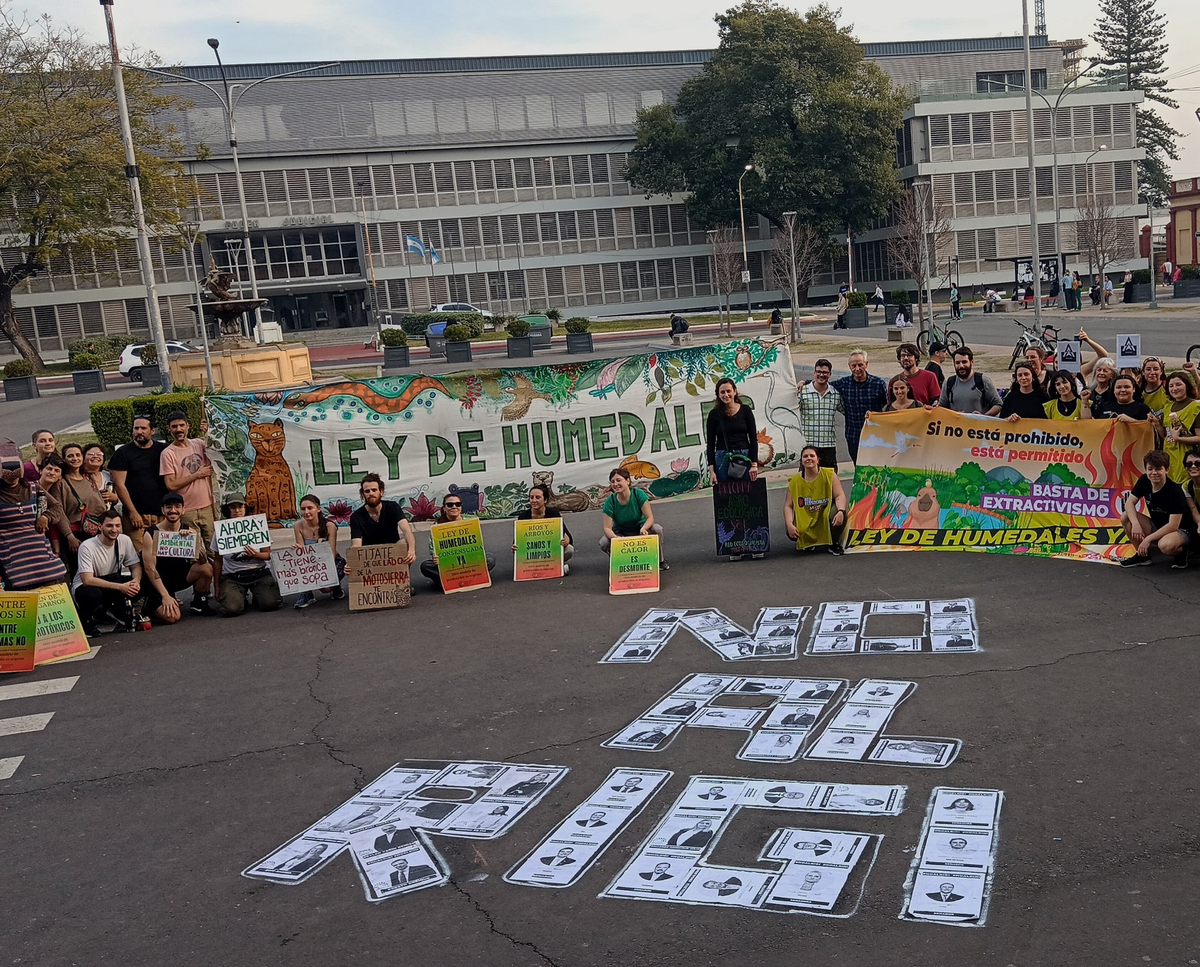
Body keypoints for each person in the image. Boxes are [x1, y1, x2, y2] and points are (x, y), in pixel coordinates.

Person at [140, 493, 214, 623]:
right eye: (169, 507)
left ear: (183, 510)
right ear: (163, 510)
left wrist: (194, 542)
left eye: (177, 506)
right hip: (158, 581)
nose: (173, 510)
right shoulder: (151, 534)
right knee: (172, 617)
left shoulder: (189, 530)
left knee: (206, 568)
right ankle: (150, 603)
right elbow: (149, 568)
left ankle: (199, 602)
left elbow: (202, 562)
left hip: (179, 577)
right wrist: (165, 596)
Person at [72, 509, 142, 635]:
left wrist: (136, 581)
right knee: (92, 595)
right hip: (88, 586)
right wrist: (121, 587)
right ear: (100, 527)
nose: (114, 530)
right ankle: (86, 620)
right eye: (109, 526)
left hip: (112, 582)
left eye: (117, 526)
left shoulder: (124, 540)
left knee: (144, 582)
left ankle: (117, 610)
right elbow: (87, 580)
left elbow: (135, 566)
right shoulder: (87, 546)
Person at [211, 493, 281, 615]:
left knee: (270, 604)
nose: (237, 510)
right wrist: (216, 586)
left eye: (240, 506)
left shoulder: (257, 525)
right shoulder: (221, 530)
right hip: (233, 577)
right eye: (233, 507)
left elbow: (268, 555)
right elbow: (217, 561)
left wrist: (255, 555)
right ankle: (239, 596)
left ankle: (258, 596)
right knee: (231, 609)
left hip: (259, 574)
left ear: (245, 508)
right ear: (228, 510)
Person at [0, 464, 67, 590]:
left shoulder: (33, 488)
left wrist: (46, 517)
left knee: (53, 593)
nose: (12, 474)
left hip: (42, 555)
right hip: (14, 561)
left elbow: (56, 507)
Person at [1120, 450, 1192, 568]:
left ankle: (1181, 552)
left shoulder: (1175, 491)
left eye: (1158, 469)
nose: (1154, 473)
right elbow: (1129, 503)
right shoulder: (1144, 480)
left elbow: (1173, 525)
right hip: (1157, 525)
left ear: (1167, 470)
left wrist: (1147, 539)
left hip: (1180, 530)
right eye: (1150, 469)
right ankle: (1143, 555)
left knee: (1165, 545)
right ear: (1146, 470)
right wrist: (1135, 523)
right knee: (1125, 516)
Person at [160, 411, 217, 555]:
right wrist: (197, 475)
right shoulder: (168, 453)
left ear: (188, 426)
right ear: (169, 429)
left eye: (181, 425)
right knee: (193, 554)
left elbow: (217, 451)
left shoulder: (199, 443)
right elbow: (171, 485)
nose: (178, 429)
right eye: (174, 426)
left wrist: (209, 433)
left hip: (207, 507)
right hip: (187, 510)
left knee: (214, 551)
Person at [110, 415, 169, 550]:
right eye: (136, 428)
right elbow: (119, 485)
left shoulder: (164, 450)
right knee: (139, 556)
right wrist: (133, 512)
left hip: (162, 515)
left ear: (152, 431)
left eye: (143, 428)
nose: (139, 431)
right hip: (137, 518)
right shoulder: (122, 453)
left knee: (164, 555)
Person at [420, 492, 498, 589]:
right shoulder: (437, 526)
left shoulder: (471, 521)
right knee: (425, 566)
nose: (454, 507)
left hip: (469, 561)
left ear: (461, 507)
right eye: (450, 505)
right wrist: (435, 558)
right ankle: (453, 579)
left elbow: (477, 543)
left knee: (490, 559)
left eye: (457, 504)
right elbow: (434, 550)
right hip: (449, 564)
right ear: (444, 508)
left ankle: (462, 577)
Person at [783, 445, 847, 555]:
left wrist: (841, 511)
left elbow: (839, 495)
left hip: (824, 512)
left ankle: (833, 542)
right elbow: (788, 505)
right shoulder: (794, 481)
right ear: (801, 461)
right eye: (805, 456)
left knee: (838, 513)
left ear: (818, 460)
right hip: (807, 515)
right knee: (792, 528)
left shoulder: (830, 475)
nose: (809, 458)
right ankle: (808, 542)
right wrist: (789, 524)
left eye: (812, 456)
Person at [600, 467, 668, 569]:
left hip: (640, 528)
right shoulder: (610, 501)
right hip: (621, 531)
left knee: (657, 529)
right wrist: (615, 538)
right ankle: (618, 564)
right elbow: (607, 528)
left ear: (628, 481)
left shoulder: (638, 494)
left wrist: (644, 528)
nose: (615, 484)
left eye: (618, 480)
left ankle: (660, 561)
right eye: (612, 482)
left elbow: (650, 518)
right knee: (604, 542)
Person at [829, 351, 887, 463]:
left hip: (875, 435)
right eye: (853, 365)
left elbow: (887, 408)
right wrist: (805, 382)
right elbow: (823, 385)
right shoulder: (844, 383)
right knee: (858, 466)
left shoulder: (878, 384)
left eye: (860, 365)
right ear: (849, 366)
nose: (857, 368)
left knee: (877, 466)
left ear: (866, 364)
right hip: (853, 436)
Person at [291, 494, 347, 608]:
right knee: (297, 565)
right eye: (303, 509)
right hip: (310, 563)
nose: (306, 512)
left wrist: (323, 572)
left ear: (318, 509)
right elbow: (302, 553)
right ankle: (307, 595)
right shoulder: (298, 525)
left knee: (325, 588)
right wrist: (298, 550)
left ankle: (335, 586)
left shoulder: (329, 526)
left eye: (310, 508)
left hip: (330, 562)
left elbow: (331, 553)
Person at [348, 473, 417, 561]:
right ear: (363, 494)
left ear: (381, 492)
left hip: (393, 552)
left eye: (374, 490)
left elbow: (407, 531)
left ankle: (402, 569)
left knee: (406, 542)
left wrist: (411, 551)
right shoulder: (356, 517)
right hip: (371, 557)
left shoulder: (393, 507)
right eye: (367, 491)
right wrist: (352, 562)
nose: (371, 493)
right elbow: (356, 545)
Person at [706, 377, 760, 484]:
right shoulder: (714, 414)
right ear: (718, 395)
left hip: (744, 456)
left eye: (728, 391)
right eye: (722, 392)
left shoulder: (745, 410)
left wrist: (754, 464)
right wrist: (712, 472)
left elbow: (753, 439)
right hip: (722, 458)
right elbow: (711, 444)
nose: (726, 395)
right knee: (726, 492)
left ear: (734, 391)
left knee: (746, 490)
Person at [511, 483, 574, 574]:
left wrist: (566, 540)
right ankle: (549, 567)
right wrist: (514, 546)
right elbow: (518, 539)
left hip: (550, 551)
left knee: (569, 549)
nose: (534, 500)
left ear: (545, 500)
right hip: (533, 552)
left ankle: (554, 566)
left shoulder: (553, 514)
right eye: (531, 497)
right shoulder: (523, 516)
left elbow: (566, 535)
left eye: (537, 497)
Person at [796, 358, 843, 470]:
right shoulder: (802, 392)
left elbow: (847, 411)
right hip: (808, 445)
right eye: (819, 372)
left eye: (825, 372)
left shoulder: (835, 394)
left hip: (828, 445)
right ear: (814, 373)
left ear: (830, 374)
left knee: (829, 478)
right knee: (807, 478)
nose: (821, 375)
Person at [61, 443, 109, 553]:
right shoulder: (61, 483)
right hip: (77, 536)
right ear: (64, 459)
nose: (75, 458)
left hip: (98, 532)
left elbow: (101, 506)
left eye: (78, 455)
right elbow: (60, 513)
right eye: (70, 456)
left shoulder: (89, 479)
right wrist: (69, 536)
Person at [938, 348, 1002, 415]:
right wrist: (954, 415)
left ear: (971, 362)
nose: (961, 366)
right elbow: (941, 408)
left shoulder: (983, 381)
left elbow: (998, 404)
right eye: (957, 363)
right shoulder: (948, 383)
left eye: (964, 362)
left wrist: (983, 416)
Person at [1162, 371, 1200, 483]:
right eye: (1171, 386)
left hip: (1187, 458)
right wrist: (1156, 423)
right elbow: (1166, 434)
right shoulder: (1167, 407)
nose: (1175, 388)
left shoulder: (1195, 407)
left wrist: (1179, 439)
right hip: (1169, 456)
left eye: (1178, 384)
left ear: (1186, 386)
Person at [1139, 356, 1169, 426]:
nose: (1152, 372)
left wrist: (1193, 373)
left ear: (1161, 371)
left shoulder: (1168, 387)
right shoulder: (1139, 391)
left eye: (1156, 369)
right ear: (1143, 372)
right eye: (1148, 369)